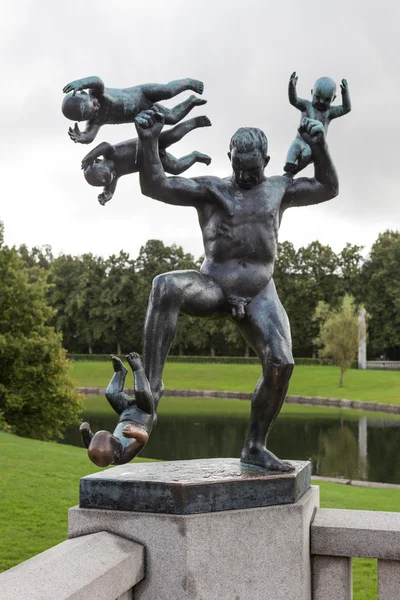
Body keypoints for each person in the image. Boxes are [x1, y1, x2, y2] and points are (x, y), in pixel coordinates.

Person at [133, 109, 339, 472]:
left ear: (267, 161)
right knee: (164, 286)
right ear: (230, 158)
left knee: (282, 363)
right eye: (239, 168)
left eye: (252, 170)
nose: (245, 176)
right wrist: (148, 140)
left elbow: (328, 187)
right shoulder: (212, 190)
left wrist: (320, 147)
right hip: (214, 285)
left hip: (260, 292)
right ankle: (149, 392)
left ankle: (255, 447)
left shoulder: (279, 189)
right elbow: (156, 185)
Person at [81, 116, 211, 205]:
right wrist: (106, 196)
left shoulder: (110, 153)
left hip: (147, 143)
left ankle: (195, 122)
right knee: (176, 167)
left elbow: (104, 145)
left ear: (99, 161)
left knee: (173, 135)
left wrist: (89, 156)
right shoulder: (113, 176)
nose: (114, 174)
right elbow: (109, 190)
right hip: (152, 160)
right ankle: (195, 156)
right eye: (112, 176)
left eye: (111, 172)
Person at [62, 76, 205, 144]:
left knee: (168, 91)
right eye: (91, 112)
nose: (96, 108)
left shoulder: (97, 92)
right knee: (172, 118)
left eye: (92, 104)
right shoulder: (96, 121)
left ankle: (188, 83)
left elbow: (97, 81)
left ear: (84, 93)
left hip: (143, 93)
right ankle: (191, 101)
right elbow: (90, 136)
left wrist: (80, 82)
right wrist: (81, 137)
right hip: (142, 112)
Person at [80, 353, 155, 466]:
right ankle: (137, 368)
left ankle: (120, 372)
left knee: (111, 393)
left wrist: (86, 434)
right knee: (142, 392)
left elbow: (91, 444)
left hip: (125, 412)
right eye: (114, 440)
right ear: (116, 454)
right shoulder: (124, 455)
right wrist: (135, 432)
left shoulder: (106, 452)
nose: (116, 438)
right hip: (143, 414)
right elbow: (143, 438)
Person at [284, 72, 351, 174]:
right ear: (312, 93)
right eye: (317, 97)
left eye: (327, 100)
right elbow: (294, 100)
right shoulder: (307, 105)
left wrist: (345, 93)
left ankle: (293, 171)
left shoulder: (329, 113)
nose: (321, 102)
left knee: (307, 154)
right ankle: (289, 163)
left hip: (314, 147)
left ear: (333, 99)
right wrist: (292, 87)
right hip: (300, 140)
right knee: (295, 146)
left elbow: (346, 108)